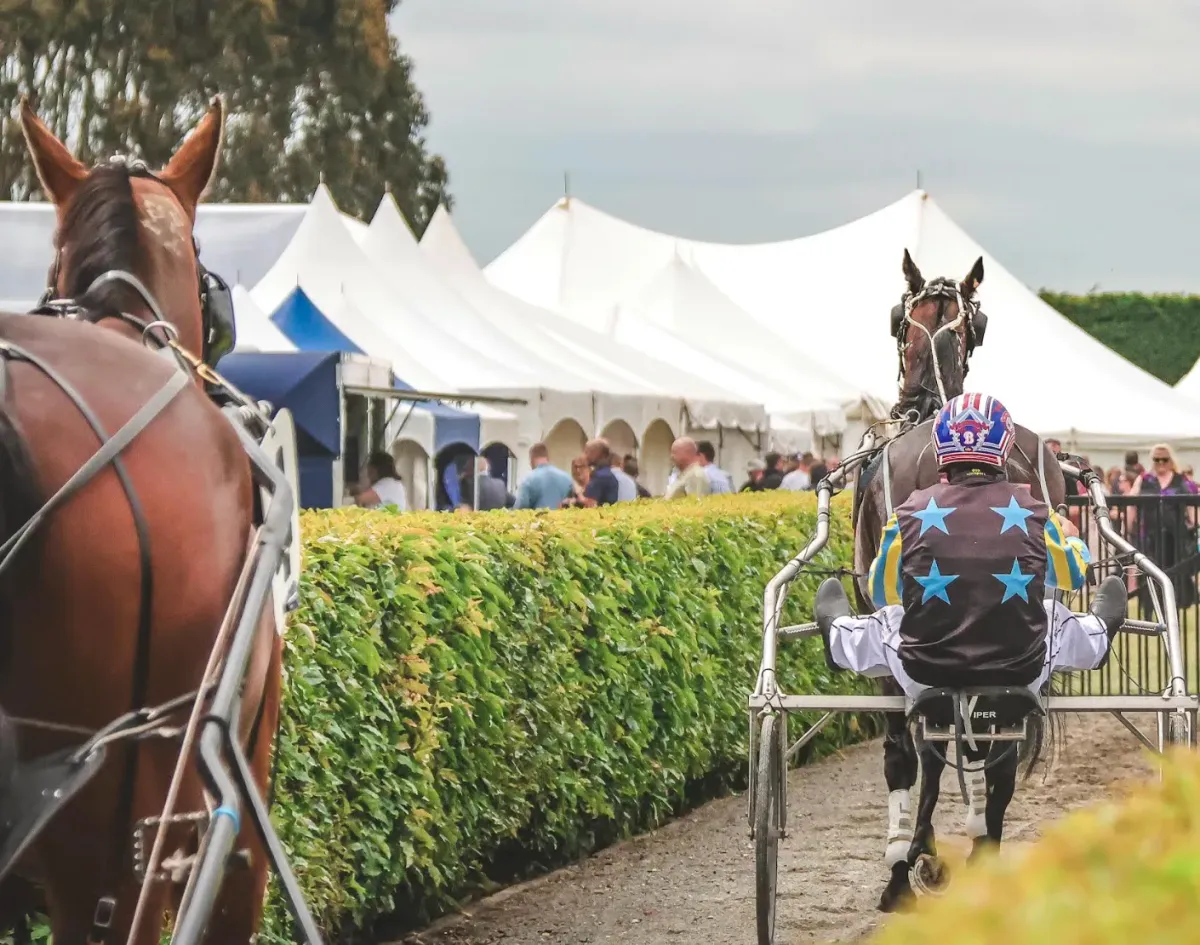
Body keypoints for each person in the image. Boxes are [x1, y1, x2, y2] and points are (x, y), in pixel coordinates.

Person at [813, 393, 1127, 701]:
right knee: (1054, 614)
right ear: (1005, 448)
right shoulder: (1036, 513)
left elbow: (881, 592)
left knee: (890, 618)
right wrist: (1071, 539)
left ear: (939, 448)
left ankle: (837, 635)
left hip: (922, 675)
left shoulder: (906, 515)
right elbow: (1070, 577)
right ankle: (1099, 633)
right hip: (1022, 672)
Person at [514, 442, 575, 510]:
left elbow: (520, 508)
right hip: (563, 519)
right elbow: (572, 505)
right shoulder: (567, 478)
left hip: (538, 519)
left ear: (531, 460)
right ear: (548, 458)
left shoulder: (528, 479)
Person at [564, 439, 620, 507]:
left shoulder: (601, 476)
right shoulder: (605, 474)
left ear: (596, 453)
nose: (585, 456)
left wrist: (578, 493)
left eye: (587, 452)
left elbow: (591, 504)